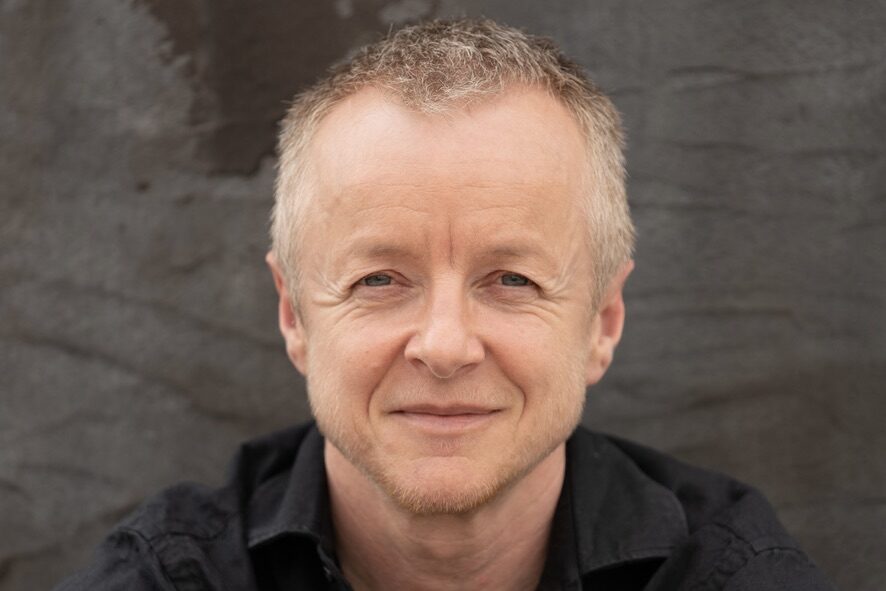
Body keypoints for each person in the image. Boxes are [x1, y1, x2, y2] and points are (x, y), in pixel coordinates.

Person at [56, 18, 834, 591]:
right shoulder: (165, 575)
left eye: (512, 280)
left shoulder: (734, 575)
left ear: (602, 320)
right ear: (295, 315)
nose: (446, 344)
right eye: (380, 280)